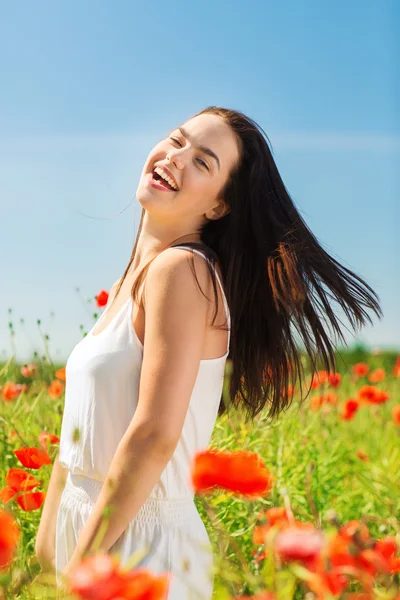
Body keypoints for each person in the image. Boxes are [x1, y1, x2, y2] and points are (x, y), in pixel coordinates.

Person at [35, 106, 382, 599]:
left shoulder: (182, 270)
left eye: (203, 162)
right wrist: (46, 554)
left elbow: (155, 435)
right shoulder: (127, 284)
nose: (175, 158)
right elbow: (81, 434)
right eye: (177, 141)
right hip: (92, 528)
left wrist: (82, 570)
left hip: (137, 545)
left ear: (219, 206)